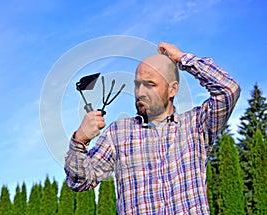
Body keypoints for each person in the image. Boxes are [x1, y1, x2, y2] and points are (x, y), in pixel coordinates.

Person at [64, 42, 240, 214]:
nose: (140, 92)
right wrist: (80, 140)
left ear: (172, 90)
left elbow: (228, 90)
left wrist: (182, 59)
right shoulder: (118, 133)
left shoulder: (196, 125)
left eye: (150, 84)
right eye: (137, 84)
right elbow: (81, 182)